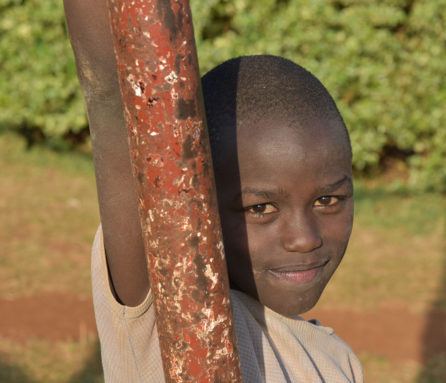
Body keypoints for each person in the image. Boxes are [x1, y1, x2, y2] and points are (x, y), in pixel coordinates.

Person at [64, 1, 364, 382]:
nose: (305, 239)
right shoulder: (169, 303)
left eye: (327, 200)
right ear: (196, 208)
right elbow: (115, 97)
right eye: (261, 208)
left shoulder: (337, 361)